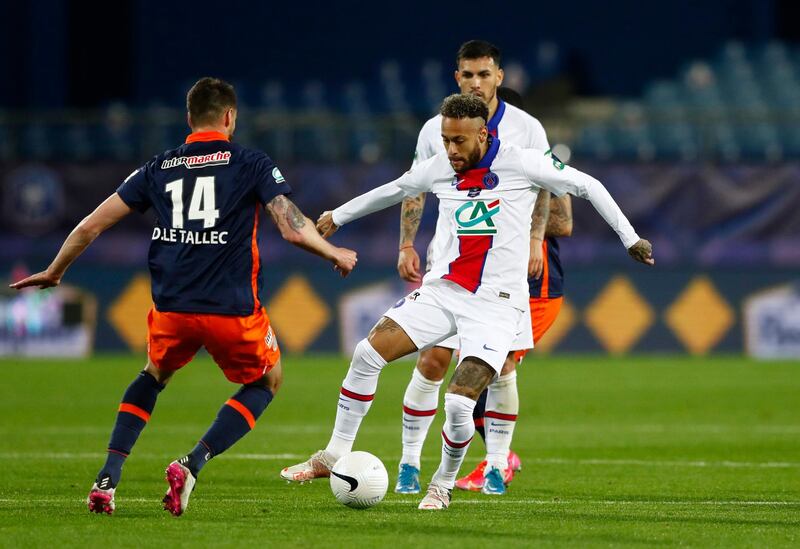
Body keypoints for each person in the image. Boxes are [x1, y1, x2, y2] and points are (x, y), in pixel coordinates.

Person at [280, 93, 653, 510]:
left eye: (459, 141)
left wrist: (631, 238)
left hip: (498, 304)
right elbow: (398, 188)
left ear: (483, 133)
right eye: (445, 140)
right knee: (368, 353)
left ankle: (441, 484)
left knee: (458, 404)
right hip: (444, 291)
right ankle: (333, 454)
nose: (451, 150)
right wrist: (340, 215)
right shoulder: (442, 164)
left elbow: (589, 185)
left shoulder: (522, 161)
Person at [10, 77, 357, 516]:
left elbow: (89, 226)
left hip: (172, 307)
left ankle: (106, 478)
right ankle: (192, 462)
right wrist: (334, 252)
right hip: (231, 309)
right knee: (267, 380)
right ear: (230, 117)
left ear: (189, 119)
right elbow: (290, 225)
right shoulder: (250, 162)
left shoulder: (158, 167)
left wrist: (55, 270)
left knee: (153, 374)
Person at [394, 41, 573, 496]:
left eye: (484, 74)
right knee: (433, 358)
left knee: (497, 366)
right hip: (451, 264)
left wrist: (535, 238)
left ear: (500, 76)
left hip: (507, 272)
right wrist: (407, 243)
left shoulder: (526, 127)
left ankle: (498, 461)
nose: (477, 82)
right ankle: (410, 465)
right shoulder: (434, 129)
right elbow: (414, 187)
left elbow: (547, 190)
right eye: (468, 75)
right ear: (457, 77)